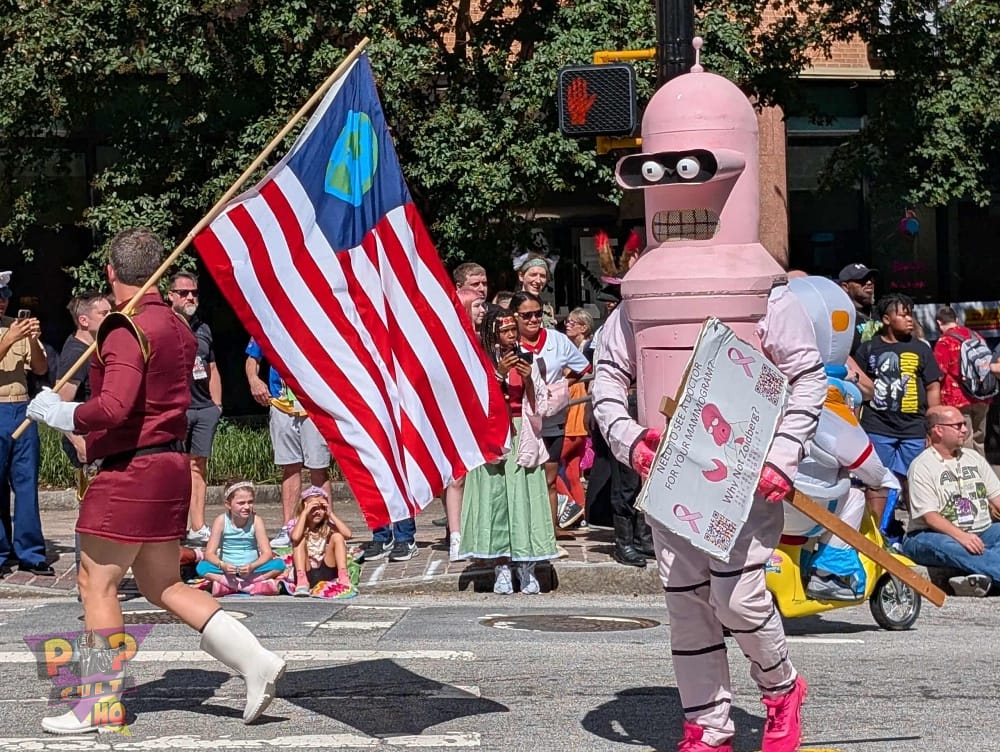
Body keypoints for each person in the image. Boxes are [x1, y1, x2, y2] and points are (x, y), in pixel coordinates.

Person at [26, 228, 284, 733]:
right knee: (161, 583)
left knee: (95, 584)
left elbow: (116, 406)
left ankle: (99, 705)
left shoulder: (127, 326)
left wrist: (60, 413)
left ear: (111, 273)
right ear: (160, 271)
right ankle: (255, 660)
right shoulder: (176, 323)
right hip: (169, 465)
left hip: (132, 468)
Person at [593, 282, 826, 752]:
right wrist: (629, 439)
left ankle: (782, 690)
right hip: (669, 474)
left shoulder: (767, 292)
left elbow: (809, 375)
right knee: (687, 606)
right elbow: (606, 375)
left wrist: (782, 455)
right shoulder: (642, 296)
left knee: (737, 599)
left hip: (745, 479)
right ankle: (707, 725)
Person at [459, 308, 560, 594]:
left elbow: (540, 404)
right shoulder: (479, 362)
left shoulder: (529, 358)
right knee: (496, 501)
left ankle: (526, 565)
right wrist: (499, 375)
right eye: (505, 331)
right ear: (493, 334)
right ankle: (501, 564)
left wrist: (529, 378)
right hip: (493, 433)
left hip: (521, 433)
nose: (511, 336)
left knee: (524, 499)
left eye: (513, 330)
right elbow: (475, 401)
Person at [511, 292, 589, 536]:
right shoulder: (510, 343)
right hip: (521, 418)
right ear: (516, 317)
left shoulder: (557, 340)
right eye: (527, 315)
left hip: (553, 417)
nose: (534, 319)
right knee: (522, 475)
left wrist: (561, 386)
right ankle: (523, 529)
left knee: (550, 474)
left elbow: (583, 367)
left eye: (538, 314)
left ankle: (551, 527)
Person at [902, 405, 1000, 597]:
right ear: (939, 430)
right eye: (958, 425)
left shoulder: (973, 458)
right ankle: (983, 572)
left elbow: (997, 498)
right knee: (955, 548)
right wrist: (962, 537)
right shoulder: (922, 466)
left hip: (982, 531)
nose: (965, 429)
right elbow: (930, 517)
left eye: (964, 424)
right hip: (930, 535)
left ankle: (977, 578)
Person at [855, 293, 942, 505]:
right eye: (903, 315)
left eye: (911, 315)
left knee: (916, 480)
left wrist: (934, 424)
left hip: (914, 428)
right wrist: (855, 426)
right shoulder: (869, 348)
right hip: (877, 427)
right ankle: (878, 532)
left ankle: (917, 528)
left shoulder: (921, 348)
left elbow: (932, 386)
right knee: (877, 481)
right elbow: (857, 389)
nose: (910, 319)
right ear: (886, 319)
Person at [245, 337, 331, 547]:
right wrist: (254, 380)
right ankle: (290, 526)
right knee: (289, 467)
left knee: (318, 467)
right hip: (281, 403)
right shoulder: (268, 318)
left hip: (314, 403)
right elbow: (252, 358)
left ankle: (324, 527)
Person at [0, 271, 51, 577]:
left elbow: (42, 367)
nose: (2, 302)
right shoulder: (9, 333)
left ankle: (30, 552)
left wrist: (31, 340)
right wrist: (8, 340)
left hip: (21, 408)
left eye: (5, 297)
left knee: (26, 483)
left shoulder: (16, 327)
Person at [167, 272, 223, 544]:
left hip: (203, 407)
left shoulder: (203, 327)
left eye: (194, 292)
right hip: (176, 408)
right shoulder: (164, 324)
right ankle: (174, 526)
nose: (190, 297)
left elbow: (211, 366)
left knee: (198, 465)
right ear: (171, 296)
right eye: (184, 292)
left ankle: (197, 525)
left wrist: (217, 405)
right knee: (175, 467)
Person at [196, 481, 286, 596]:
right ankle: (249, 587)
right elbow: (209, 553)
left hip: (251, 570)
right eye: (241, 503)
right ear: (228, 504)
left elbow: (267, 553)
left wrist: (252, 566)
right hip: (227, 570)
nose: (247, 507)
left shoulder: (256, 521)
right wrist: (222, 565)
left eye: (250, 502)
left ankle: (229, 586)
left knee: (279, 564)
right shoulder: (221, 521)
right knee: (202, 566)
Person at [56, 293, 112, 469]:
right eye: (104, 314)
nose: (111, 317)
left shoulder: (95, 348)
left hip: (103, 437)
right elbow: (58, 404)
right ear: (84, 320)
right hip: (88, 440)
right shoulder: (76, 354)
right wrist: (79, 443)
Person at [933, 305, 992, 455]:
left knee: (963, 439)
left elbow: (939, 374)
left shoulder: (944, 342)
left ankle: (968, 473)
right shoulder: (976, 336)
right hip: (982, 395)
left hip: (957, 398)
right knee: (979, 438)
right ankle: (981, 471)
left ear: (939, 323)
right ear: (957, 319)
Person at [558, 308, 595, 528]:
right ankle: (582, 512)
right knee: (572, 470)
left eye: (573, 322)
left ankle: (570, 504)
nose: (568, 325)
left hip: (575, 420)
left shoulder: (586, 351)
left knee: (546, 466)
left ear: (584, 326)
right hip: (578, 421)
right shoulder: (577, 349)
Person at [289, 485, 357, 599]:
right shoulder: (297, 524)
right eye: (313, 508)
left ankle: (343, 576)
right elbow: (295, 537)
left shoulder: (327, 525)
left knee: (337, 537)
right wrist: (305, 513)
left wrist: (330, 514)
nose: (317, 512)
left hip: (325, 569)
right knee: (299, 541)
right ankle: (302, 580)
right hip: (307, 570)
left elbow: (348, 535)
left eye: (321, 508)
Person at [837, 262, 878, 357]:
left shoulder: (882, 313)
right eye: (862, 280)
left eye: (871, 279)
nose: (869, 283)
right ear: (845, 287)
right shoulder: (841, 317)